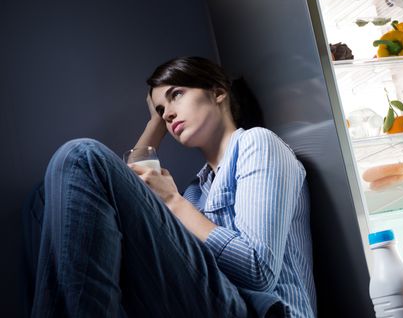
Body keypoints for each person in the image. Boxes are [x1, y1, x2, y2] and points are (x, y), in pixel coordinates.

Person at [24, 56, 317, 317]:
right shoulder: (196, 189)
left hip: (264, 308)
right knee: (42, 200)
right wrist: (156, 122)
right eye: (161, 110)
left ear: (218, 92)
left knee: (81, 156)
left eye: (177, 95)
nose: (168, 114)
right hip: (216, 297)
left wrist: (173, 202)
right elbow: (113, 194)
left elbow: (258, 270)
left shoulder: (257, 143)